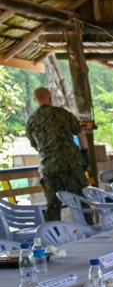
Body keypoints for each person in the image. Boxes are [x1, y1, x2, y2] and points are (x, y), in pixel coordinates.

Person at [25, 87, 90, 221]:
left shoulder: (31, 120)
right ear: (50, 98)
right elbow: (80, 134)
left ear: (36, 100)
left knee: (53, 205)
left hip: (49, 168)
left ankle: (53, 236)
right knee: (81, 200)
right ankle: (89, 231)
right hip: (71, 165)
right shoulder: (64, 114)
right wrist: (85, 153)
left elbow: (35, 146)